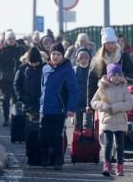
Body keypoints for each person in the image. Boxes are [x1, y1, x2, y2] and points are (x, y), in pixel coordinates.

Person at [39, 42, 78, 170]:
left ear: (63, 56)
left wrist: (71, 108)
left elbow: (73, 90)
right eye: (53, 54)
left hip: (59, 109)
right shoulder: (45, 68)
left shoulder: (67, 69)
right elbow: (42, 88)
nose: (55, 57)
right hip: (45, 108)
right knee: (43, 134)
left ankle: (58, 159)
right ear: (50, 55)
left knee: (57, 135)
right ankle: (45, 155)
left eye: (58, 54)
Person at [91, 62, 133, 177]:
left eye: (118, 75)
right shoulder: (102, 88)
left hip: (120, 120)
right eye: (114, 75)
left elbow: (129, 104)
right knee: (108, 143)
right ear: (109, 76)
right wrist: (103, 106)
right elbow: (94, 102)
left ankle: (119, 166)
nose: (116, 77)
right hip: (107, 120)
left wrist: (115, 108)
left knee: (120, 144)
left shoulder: (125, 89)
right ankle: (106, 164)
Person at [87, 27, 133, 114]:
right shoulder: (98, 59)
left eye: (112, 43)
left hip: (120, 96)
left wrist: (123, 80)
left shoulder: (122, 56)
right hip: (104, 97)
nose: (110, 45)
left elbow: (132, 72)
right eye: (108, 43)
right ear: (104, 44)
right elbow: (92, 81)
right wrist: (89, 103)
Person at [0, 30, 25, 126]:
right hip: (5, 79)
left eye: (13, 38)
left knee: (16, 99)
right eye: (9, 39)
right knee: (6, 99)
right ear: (6, 40)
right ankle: (6, 118)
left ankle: (15, 117)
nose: (11, 40)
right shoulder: (1, 49)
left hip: (17, 78)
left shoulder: (20, 49)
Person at [13, 47, 45, 113]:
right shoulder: (23, 67)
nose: (33, 65)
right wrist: (20, 96)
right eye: (31, 62)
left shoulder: (45, 67)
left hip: (41, 102)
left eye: (35, 63)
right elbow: (16, 83)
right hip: (26, 102)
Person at [73, 46, 92, 129]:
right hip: (78, 100)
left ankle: (88, 140)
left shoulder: (92, 70)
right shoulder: (74, 70)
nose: (83, 60)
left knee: (88, 123)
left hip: (89, 101)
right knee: (77, 122)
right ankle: (77, 140)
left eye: (86, 58)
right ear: (77, 59)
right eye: (81, 58)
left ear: (89, 59)